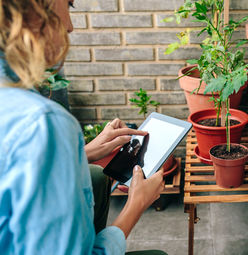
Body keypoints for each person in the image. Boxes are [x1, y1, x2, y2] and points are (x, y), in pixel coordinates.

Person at [0, 0, 166, 254]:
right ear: (34, 11)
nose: (70, 26)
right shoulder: (41, 123)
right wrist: (135, 205)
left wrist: (82, 152)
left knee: (97, 176)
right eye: (69, 4)